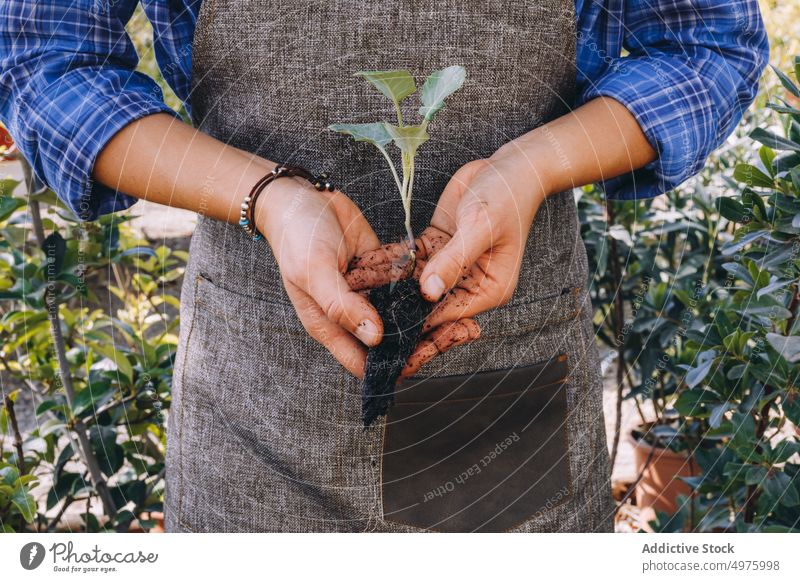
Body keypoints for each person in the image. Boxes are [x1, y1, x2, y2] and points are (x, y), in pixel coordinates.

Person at [0, 0, 768, 532]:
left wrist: (529, 168)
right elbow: (49, 66)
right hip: (256, 396)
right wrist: (267, 198)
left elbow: (707, 46)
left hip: (507, 372)